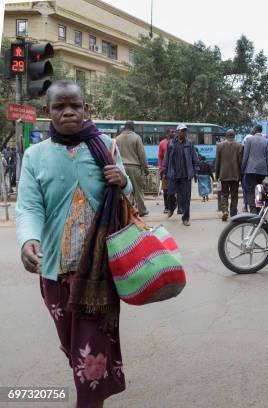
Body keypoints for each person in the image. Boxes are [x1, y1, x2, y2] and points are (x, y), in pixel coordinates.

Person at [16, 80, 132, 408]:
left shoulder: (106, 146)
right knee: (73, 348)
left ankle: (90, 400)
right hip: (55, 271)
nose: (68, 112)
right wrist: (28, 240)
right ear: (48, 112)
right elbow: (29, 207)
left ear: (85, 109)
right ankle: (90, 388)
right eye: (59, 107)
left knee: (90, 353)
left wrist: (122, 181)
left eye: (75, 106)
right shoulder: (35, 156)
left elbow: (131, 199)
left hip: (99, 274)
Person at [164, 124, 198, 226]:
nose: (183, 132)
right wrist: (165, 172)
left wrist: (195, 172)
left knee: (186, 197)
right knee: (170, 194)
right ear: (178, 132)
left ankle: (186, 218)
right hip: (173, 174)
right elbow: (167, 158)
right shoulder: (171, 144)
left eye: (185, 131)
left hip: (185, 175)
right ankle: (171, 207)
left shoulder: (189, 143)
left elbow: (194, 158)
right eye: (182, 131)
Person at [116, 120, 149, 217]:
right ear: (133, 127)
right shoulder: (136, 137)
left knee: (124, 191)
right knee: (138, 190)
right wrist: (145, 169)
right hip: (134, 167)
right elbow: (142, 155)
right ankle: (142, 211)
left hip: (121, 168)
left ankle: (125, 212)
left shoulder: (117, 138)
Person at [242, 124, 268, 214]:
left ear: (254, 130)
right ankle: (259, 210)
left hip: (250, 169)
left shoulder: (249, 140)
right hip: (262, 170)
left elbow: (245, 156)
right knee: (260, 190)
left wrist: (242, 169)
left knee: (250, 190)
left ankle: (253, 209)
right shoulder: (267, 141)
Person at [215, 129, 243, 221]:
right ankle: (234, 213)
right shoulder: (239, 146)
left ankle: (225, 211)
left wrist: (217, 174)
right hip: (235, 175)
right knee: (234, 195)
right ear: (234, 136)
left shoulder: (220, 146)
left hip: (223, 174)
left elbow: (217, 162)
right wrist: (240, 175)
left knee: (224, 194)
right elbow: (240, 162)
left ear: (226, 136)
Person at [158, 129, 174, 213]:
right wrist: (161, 168)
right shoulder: (162, 143)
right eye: (172, 132)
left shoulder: (176, 142)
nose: (174, 133)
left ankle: (176, 206)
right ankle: (166, 207)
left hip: (175, 170)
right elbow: (160, 157)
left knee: (175, 190)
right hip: (165, 170)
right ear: (167, 134)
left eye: (174, 132)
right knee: (165, 189)